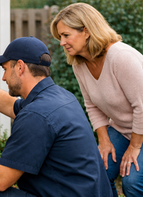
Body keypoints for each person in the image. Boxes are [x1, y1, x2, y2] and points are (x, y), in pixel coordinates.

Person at [0, 36, 112, 197]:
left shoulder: (37, 115)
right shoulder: (59, 96)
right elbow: (9, 104)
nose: (4, 77)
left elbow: (1, 179)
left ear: (20, 67)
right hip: (89, 191)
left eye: (5, 69)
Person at [50, 3, 143, 197]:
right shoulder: (80, 64)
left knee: (132, 182)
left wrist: (134, 147)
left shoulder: (121, 57)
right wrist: (104, 139)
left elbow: (142, 106)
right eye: (60, 37)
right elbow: (91, 104)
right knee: (95, 173)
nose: (62, 43)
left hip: (139, 130)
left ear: (86, 31)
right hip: (122, 129)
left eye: (66, 35)